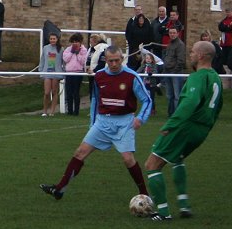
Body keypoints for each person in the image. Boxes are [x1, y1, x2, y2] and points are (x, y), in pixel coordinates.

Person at [40, 46, 152, 200]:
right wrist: (92, 124)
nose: (114, 64)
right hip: (102, 121)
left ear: (122, 59)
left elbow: (147, 100)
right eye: (110, 61)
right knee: (80, 152)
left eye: (117, 60)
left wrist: (140, 118)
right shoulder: (99, 76)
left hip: (124, 122)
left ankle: (144, 194)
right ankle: (60, 189)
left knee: (128, 159)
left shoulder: (131, 76)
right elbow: (95, 100)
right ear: (105, 60)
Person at [145, 41, 223, 221]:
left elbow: (190, 103)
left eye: (194, 52)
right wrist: (206, 127)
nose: (191, 54)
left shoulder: (198, 77)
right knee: (177, 158)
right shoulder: (216, 78)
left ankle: (163, 213)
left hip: (186, 126)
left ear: (202, 56)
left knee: (152, 164)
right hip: (201, 131)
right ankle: (184, 204)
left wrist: (171, 124)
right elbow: (218, 107)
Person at [39, 32, 64, 116]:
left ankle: (52, 111)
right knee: (46, 92)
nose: (52, 40)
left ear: (57, 39)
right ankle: (44, 111)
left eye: (54, 39)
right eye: (51, 39)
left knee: (54, 92)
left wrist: (63, 72)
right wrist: (41, 70)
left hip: (56, 72)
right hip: (47, 72)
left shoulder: (61, 49)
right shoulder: (45, 48)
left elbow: (63, 62)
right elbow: (42, 60)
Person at [62, 33, 87, 115]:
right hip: (69, 72)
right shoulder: (68, 49)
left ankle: (76, 111)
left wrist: (78, 53)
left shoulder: (83, 50)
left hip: (78, 73)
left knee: (76, 92)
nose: (74, 43)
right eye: (73, 42)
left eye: (76, 42)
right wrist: (71, 52)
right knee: (69, 92)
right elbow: (65, 59)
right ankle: (69, 110)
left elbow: (82, 61)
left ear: (80, 42)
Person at [163, 28, 186, 117]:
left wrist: (175, 70)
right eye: (170, 33)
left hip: (176, 73)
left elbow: (181, 60)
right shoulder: (170, 44)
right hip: (167, 72)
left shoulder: (180, 44)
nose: (172, 34)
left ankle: (177, 114)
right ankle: (170, 113)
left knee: (177, 95)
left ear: (177, 34)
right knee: (169, 95)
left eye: (174, 33)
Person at [125, 5, 150, 70]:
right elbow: (127, 33)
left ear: (141, 10)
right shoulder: (131, 21)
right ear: (134, 11)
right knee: (132, 64)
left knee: (143, 64)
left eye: (139, 9)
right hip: (133, 47)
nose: (138, 11)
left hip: (144, 47)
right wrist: (131, 43)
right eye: (136, 10)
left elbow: (149, 33)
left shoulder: (146, 20)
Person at [86, 33, 108, 100]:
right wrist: (87, 67)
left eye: (91, 42)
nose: (90, 43)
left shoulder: (103, 48)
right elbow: (89, 59)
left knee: (98, 93)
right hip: (91, 75)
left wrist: (94, 71)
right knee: (92, 93)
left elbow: (102, 63)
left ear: (95, 42)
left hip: (99, 74)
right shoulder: (92, 49)